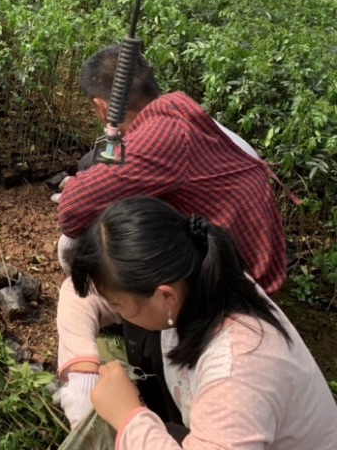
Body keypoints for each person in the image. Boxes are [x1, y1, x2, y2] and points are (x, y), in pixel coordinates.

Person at [54, 43, 289, 429]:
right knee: (81, 288)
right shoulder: (181, 111)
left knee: (82, 262)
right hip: (237, 267)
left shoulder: (164, 137)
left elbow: (72, 210)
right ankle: (83, 388)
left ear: (101, 108)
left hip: (230, 290)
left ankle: (149, 404)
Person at [69, 196, 337, 448]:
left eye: (116, 304)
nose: (110, 308)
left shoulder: (240, 369)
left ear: (166, 296)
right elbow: (77, 295)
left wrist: (129, 417)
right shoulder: (198, 279)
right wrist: (83, 369)